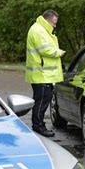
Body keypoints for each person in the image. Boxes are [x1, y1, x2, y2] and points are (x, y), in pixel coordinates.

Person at [25, 9, 65, 137]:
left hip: (42, 75)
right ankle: (38, 126)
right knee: (41, 102)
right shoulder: (38, 30)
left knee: (41, 101)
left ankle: (39, 125)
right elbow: (44, 49)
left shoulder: (41, 29)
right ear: (48, 19)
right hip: (41, 75)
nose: (55, 25)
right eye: (54, 23)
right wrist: (59, 52)